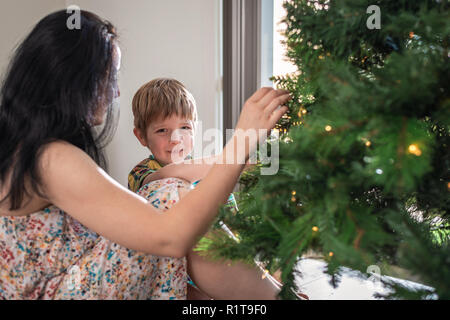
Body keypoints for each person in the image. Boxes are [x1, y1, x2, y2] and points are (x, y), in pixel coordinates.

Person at [0, 10, 290, 299]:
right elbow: (170, 237)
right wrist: (243, 139)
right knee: (169, 195)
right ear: (78, 80)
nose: (115, 93)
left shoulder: (33, 149)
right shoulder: (50, 159)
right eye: (110, 77)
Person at [128, 78, 283, 299]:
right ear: (142, 136)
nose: (176, 139)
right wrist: (233, 158)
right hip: (178, 273)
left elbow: (230, 224)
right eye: (162, 130)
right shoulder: (142, 172)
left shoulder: (206, 170)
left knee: (274, 263)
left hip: (225, 262)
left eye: (185, 128)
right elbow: (165, 176)